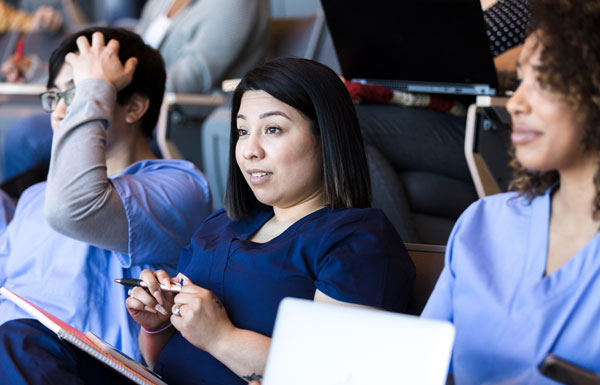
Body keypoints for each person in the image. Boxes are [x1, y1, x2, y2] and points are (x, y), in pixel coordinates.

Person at [0, 57, 416, 384]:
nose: (249, 150)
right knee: (19, 339)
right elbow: (167, 358)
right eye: (241, 131)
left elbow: (331, 375)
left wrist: (221, 338)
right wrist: (160, 325)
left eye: (272, 130)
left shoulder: (355, 240)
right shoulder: (224, 225)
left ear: (326, 136)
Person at [0, 27, 211, 360]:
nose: (57, 113)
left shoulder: (180, 186)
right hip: (12, 354)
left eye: (76, 92)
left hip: (77, 364)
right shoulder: (35, 196)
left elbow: (74, 208)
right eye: (55, 96)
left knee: (14, 340)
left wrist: (93, 87)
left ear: (134, 107)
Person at [421, 0, 600, 383]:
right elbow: (420, 367)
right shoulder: (484, 222)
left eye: (546, 81)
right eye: (520, 81)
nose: (516, 102)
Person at [0, 0, 269, 184]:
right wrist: (39, 73)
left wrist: (98, 83)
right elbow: (123, 51)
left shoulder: (235, 4)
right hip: (124, 102)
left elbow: (187, 80)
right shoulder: (164, 2)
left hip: (170, 121)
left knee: (27, 136)